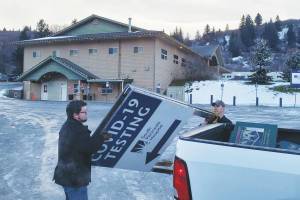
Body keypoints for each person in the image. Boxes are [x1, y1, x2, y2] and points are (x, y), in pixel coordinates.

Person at [53, 100, 111, 200]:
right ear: (75, 115)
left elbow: (81, 146)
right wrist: (102, 138)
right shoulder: (78, 131)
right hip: (75, 180)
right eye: (84, 112)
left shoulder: (67, 126)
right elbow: (90, 147)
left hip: (65, 176)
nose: (86, 114)